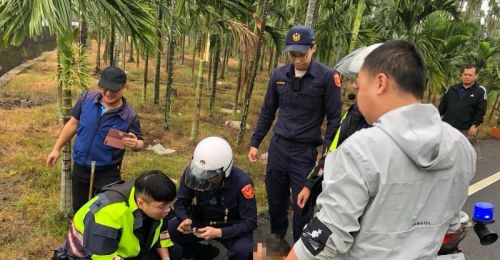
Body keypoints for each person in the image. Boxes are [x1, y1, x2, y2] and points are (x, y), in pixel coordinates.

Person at [288, 40, 476, 259]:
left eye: (359, 86)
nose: (357, 94)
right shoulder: (462, 148)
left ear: (380, 83)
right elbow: (450, 218)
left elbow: (325, 239)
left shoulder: (360, 150)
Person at [247, 25, 342, 243]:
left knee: (302, 207)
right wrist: (255, 142)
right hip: (278, 148)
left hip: (305, 153)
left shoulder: (327, 77)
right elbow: (268, 111)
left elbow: (334, 120)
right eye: (292, 54)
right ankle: (277, 245)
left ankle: (300, 251)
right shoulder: (279, 75)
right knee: (276, 202)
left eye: (302, 54)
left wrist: (327, 157)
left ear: (313, 48)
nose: (297, 60)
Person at [46, 66, 144, 213]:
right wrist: (56, 148)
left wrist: (136, 144)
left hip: (107, 172)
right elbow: (73, 123)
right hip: (81, 166)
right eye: (105, 88)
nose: (109, 93)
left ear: (124, 87)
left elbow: (140, 142)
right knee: (79, 208)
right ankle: (80, 234)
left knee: (103, 210)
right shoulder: (86, 99)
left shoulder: (129, 116)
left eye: (114, 90)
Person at [52, 170, 180, 260]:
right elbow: (103, 256)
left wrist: (165, 258)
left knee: (175, 252)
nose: (168, 210)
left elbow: (160, 232)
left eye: (171, 204)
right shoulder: (109, 213)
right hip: (90, 256)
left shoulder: (152, 198)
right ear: (141, 203)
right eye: (163, 206)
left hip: (130, 251)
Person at [169, 136, 257, 260]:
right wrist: (185, 219)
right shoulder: (194, 172)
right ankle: (202, 252)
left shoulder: (243, 183)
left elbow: (250, 222)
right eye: (201, 172)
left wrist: (220, 232)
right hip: (201, 221)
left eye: (211, 175)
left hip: (231, 225)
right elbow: (180, 202)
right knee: (170, 231)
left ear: (225, 170)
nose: (203, 178)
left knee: (243, 252)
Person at [296, 93, 369, 211]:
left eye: (359, 81)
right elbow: (330, 154)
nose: (355, 86)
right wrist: (309, 185)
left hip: (351, 204)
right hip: (334, 198)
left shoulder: (378, 126)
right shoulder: (352, 113)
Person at [438, 64, 487, 140]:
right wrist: (436, 117)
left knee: (458, 151)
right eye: (465, 74)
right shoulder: (452, 88)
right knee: (441, 149)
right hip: (446, 126)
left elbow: (480, 111)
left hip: (464, 129)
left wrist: (474, 125)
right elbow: (442, 106)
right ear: (461, 75)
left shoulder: (480, 91)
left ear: (476, 76)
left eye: (470, 75)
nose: (467, 77)